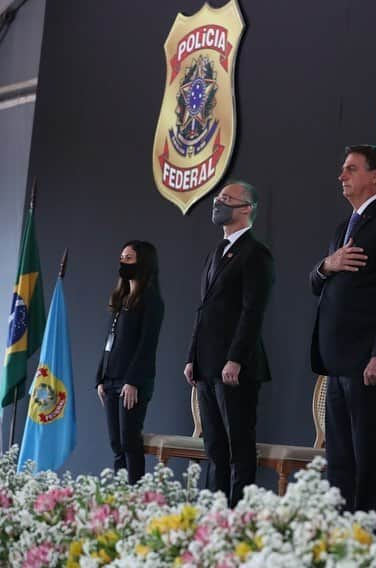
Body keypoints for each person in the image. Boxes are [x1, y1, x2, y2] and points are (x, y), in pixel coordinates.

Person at [310, 145, 376, 528]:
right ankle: (340, 537)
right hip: (338, 361)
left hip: (369, 361)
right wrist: (328, 264)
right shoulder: (344, 228)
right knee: (339, 458)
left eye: (351, 169)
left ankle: (365, 539)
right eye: (343, 170)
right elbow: (315, 284)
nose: (342, 176)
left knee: (366, 457)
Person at [184, 181, 275, 507]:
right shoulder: (215, 253)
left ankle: (237, 517)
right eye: (218, 198)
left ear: (246, 208)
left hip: (235, 368)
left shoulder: (256, 253)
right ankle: (215, 514)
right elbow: (204, 309)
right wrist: (192, 355)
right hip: (207, 364)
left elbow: (253, 312)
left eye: (226, 199)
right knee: (215, 449)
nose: (217, 203)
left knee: (238, 447)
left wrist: (235, 358)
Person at [96, 240, 164, 484]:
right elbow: (109, 342)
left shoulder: (151, 300)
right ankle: (120, 496)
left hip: (132, 383)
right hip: (111, 381)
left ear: (143, 263)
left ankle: (136, 496)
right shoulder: (121, 298)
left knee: (129, 441)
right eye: (121, 257)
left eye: (129, 258)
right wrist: (100, 378)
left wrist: (133, 381)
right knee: (116, 444)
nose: (122, 262)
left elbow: (147, 345)